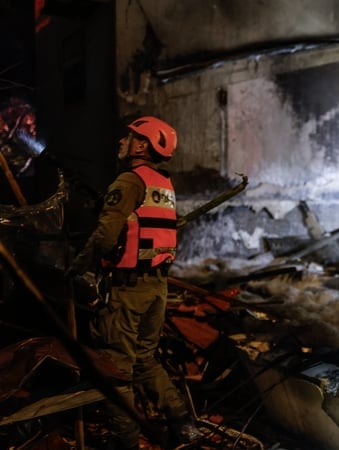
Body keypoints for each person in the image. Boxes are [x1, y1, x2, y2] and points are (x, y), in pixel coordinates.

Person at [68, 116, 200, 449]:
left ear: (142, 145)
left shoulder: (129, 181)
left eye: (128, 137)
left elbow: (105, 235)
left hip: (127, 290)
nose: (121, 142)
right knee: (145, 360)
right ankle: (185, 427)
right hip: (157, 287)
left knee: (116, 371)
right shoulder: (164, 185)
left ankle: (124, 442)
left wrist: (77, 266)